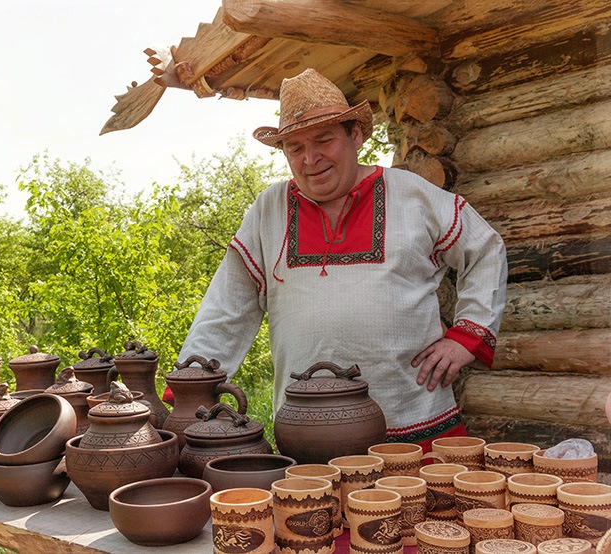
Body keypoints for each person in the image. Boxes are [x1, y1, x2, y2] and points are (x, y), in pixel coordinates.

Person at [176, 68, 507, 451]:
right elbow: (227, 307)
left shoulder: (411, 194)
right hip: (307, 431)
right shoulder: (269, 209)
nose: (310, 158)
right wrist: (191, 389)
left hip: (414, 422)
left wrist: (467, 336)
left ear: (356, 135)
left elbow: (485, 248)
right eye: (295, 148)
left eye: (323, 140)